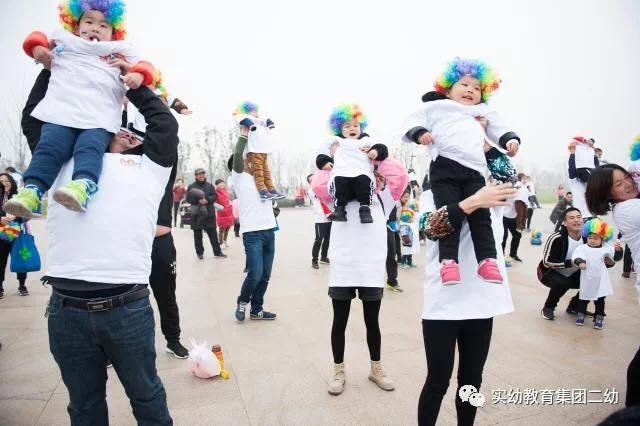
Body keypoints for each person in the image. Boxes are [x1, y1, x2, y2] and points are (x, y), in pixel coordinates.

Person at [30, 84, 174, 424]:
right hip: (67, 312)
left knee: (147, 398)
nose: (123, 135)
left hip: (127, 309)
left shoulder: (150, 169)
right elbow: (35, 116)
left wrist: (129, 82)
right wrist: (63, 67)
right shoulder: (62, 164)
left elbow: (165, 123)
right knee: (84, 406)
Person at [7, 0, 159, 218]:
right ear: (76, 26)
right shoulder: (65, 40)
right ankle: (32, 191)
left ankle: (83, 186)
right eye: (89, 22)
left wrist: (137, 75)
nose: (96, 28)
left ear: (114, 33)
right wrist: (38, 49)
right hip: (61, 113)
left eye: (104, 25)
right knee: (48, 148)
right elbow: (36, 37)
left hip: (99, 118)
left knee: (89, 149)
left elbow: (149, 70)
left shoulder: (119, 51)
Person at [403, 57, 520, 286]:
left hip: (474, 171)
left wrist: (503, 141)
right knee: (450, 215)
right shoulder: (438, 108)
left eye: (476, 88)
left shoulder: (481, 114)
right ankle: (449, 262)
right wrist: (420, 133)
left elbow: (508, 173)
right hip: (444, 167)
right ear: (447, 90)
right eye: (464, 85)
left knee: (482, 219)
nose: (470, 90)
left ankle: (487, 261)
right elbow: (431, 228)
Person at [418, 182, 516, 426]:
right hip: (442, 305)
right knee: (438, 381)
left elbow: (507, 172)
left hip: (480, 305)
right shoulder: (431, 194)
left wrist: (484, 190)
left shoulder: (491, 190)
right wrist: (475, 201)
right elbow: (429, 227)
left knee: (472, 381)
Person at [315, 141, 396, 396]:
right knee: (339, 321)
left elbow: (399, 174)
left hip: (370, 266)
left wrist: (375, 157)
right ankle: (338, 371)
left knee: (372, 321)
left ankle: (376, 369)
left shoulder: (380, 196)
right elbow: (317, 182)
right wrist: (338, 155)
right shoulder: (335, 195)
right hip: (343, 265)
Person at [585, 163, 640, 406]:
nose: (627, 183)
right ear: (608, 195)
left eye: (627, 177)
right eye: (618, 184)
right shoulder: (627, 209)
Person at [229, 129, 278, 321]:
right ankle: (242, 302)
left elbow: (262, 156)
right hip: (252, 234)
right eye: (245, 160)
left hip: (269, 231)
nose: (249, 162)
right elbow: (238, 156)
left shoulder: (261, 178)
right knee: (255, 274)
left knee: (265, 275)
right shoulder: (239, 178)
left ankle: (257, 309)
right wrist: (243, 135)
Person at [320, 104, 377, 224]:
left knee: (364, 180)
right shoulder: (336, 140)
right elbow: (323, 149)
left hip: (361, 172)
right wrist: (324, 161)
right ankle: (340, 210)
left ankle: (365, 209)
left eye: (356, 125)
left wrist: (375, 151)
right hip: (342, 173)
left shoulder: (366, 140)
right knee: (338, 180)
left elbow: (381, 147)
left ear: (361, 127)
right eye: (347, 126)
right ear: (339, 129)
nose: (352, 129)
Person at [233, 101, 284, 200]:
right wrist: (250, 125)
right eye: (253, 111)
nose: (256, 112)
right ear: (247, 112)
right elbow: (242, 120)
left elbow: (267, 120)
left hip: (263, 151)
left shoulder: (260, 120)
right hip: (253, 151)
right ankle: (262, 191)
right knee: (258, 172)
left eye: (256, 110)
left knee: (266, 172)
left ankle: (271, 189)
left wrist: (270, 124)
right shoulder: (245, 118)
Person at [571, 219, 616, 329]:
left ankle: (599, 317)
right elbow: (576, 256)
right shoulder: (583, 248)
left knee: (600, 300)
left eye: (595, 238)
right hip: (587, 279)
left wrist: (617, 252)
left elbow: (613, 258)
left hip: (601, 280)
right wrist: (580, 262)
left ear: (602, 239)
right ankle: (581, 314)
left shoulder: (606, 249)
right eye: (590, 237)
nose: (592, 240)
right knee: (584, 298)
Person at [187, 168, 226, 260]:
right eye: (199, 174)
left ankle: (217, 252)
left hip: (209, 214)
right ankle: (200, 253)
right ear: (195, 176)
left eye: (202, 173)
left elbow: (215, 196)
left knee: (213, 235)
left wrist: (207, 200)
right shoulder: (191, 186)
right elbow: (188, 199)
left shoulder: (210, 186)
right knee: (197, 236)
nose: (201, 175)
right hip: (197, 215)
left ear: (205, 174)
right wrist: (198, 200)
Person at [0, 173, 28, 298]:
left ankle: (22, 285)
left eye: (7, 181)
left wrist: (16, 216)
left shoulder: (19, 196)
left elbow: (27, 215)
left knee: (21, 258)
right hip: (1, 234)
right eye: (1, 181)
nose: (4, 183)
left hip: (17, 233)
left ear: (11, 182)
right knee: (1, 261)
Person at [307, 174, 332, 270]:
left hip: (329, 217)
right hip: (320, 219)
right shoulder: (311, 190)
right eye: (311, 180)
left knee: (327, 239)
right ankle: (314, 260)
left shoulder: (324, 187)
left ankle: (324, 257)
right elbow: (321, 193)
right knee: (318, 240)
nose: (314, 180)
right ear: (310, 183)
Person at [501, 179, 528, 262]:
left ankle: (513, 254)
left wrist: (522, 223)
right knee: (504, 236)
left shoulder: (521, 193)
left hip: (513, 217)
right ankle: (501, 255)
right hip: (503, 217)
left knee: (517, 235)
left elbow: (524, 208)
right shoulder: (507, 191)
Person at [399, 191, 419, 268]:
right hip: (404, 228)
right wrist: (406, 219)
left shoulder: (410, 206)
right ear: (400, 197)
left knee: (411, 246)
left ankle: (409, 262)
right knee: (406, 246)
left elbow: (414, 214)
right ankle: (403, 262)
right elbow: (399, 217)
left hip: (410, 228)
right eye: (405, 197)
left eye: (408, 196)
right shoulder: (399, 206)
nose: (406, 198)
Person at [215, 179, 234, 249]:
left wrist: (230, 205)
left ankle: (225, 241)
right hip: (221, 212)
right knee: (221, 228)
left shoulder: (226, 191)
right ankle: (221, 243)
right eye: (220, 183)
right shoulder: (215, 192)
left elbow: (228, 200)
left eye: (223, 183)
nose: (222, 184)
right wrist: (220, 207)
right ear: (217, 185)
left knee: (227, 228)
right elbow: (214, 202)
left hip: (228, 212)